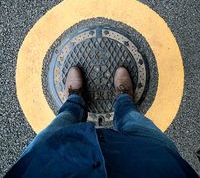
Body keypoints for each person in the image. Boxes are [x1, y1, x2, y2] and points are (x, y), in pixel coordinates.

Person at [5, 67, 199, 178]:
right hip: (149, 164)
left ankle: (75, 99)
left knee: (62, 125)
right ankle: (123, 99)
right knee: (135, 123)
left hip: (51, 164)